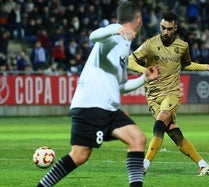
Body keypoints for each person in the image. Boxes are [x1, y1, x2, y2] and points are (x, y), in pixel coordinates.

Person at [37, 2, 160, 187]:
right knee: (79, 155)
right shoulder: (114, 34)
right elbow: (94, 36)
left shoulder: (125, 45)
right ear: (138, 19)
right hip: (91, 105)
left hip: (108, 108)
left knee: (138, 139)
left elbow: (121, 86)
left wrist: (144, 78)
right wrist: (115, 29)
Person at [128, 12, 209, 176]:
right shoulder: (150, 44)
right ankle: (203, 165)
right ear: (160, 26)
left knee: (159, 124)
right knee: (174, 132)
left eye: (169, 29)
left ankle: (144, 165)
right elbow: (131, 60)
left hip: (171, 93)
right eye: (163, 28)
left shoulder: (182, 46)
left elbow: (187, 64)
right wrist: (146, 71)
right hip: (152, 96)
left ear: (175, 28)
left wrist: (205, 67)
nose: (165, 32)